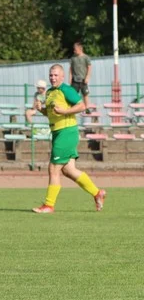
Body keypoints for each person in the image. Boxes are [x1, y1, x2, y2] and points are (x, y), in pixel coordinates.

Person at [31, 64, 105, 214]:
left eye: (56, 75)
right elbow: (52, 113)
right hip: (58, 132)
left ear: (62, 76)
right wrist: (41, 109)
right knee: (69, 170)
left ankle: (49, 205)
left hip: (66, 132)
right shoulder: (50, 92)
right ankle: (97, 193)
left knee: (53, 168)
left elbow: (82, 105)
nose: (53, 78)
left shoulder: (66, 89)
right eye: (51, 75)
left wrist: (65, 111)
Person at [69, 41, 92, 106]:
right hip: (75, 80)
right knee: (73, 94)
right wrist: (70, 79)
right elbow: (71, 69)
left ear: (80, 49)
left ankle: (87, 108)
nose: (74, 51)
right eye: (73, 49)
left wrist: (87, 77)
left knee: (85, 94)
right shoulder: (73, 58)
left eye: (75, 49)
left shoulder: (86, 57)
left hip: (83, 80)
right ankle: (73, 107)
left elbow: (89, 68)